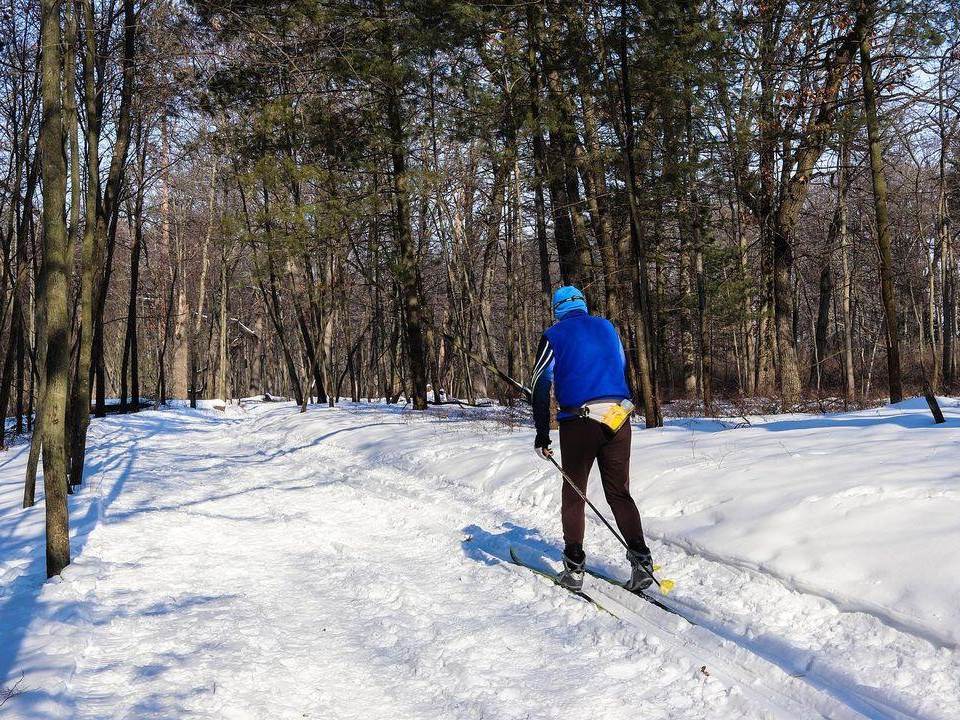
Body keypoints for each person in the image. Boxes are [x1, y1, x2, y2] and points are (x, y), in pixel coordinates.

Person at [530, 285, 654, 592]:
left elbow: (539, 385)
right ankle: (642, 561)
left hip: (579, 421)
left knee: (575, 494)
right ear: (583, 305)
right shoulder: (607, 327)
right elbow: (620, 368)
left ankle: (574, 568)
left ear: (556, 309)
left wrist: (542, 434)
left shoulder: (554, 336)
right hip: (618, 417)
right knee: (619, 492)